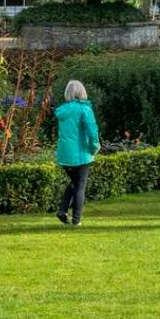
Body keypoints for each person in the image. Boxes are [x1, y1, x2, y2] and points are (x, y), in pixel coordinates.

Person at [52, 79, 100, 227]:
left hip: (65, 155)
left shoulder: (63, 110)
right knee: (80, 186)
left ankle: (62, 210)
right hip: (81, 154)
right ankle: (76, 219)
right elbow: (92, 131)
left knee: (75, 183)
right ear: (82, 92)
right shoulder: (84, 109)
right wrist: (95, 147)